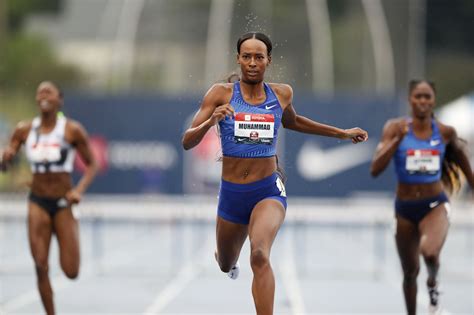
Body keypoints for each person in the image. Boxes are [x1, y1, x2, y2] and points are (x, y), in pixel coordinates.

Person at [182, 32, 368, 315]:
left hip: (267, 191)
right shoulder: (220, 94)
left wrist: (341, 133)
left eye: (259, 57)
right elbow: (187, 141)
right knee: (224, 263)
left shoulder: (281, 94)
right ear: (238, 60)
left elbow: (294, 121)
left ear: (268, 60)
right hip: (232, 194)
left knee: (259, 255)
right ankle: (228, 259)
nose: (253, 62)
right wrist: (211, 120)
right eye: (247, 57)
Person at [370, 80, 474, 315]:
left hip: (435, 204)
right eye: (418, 96)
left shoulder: (445, 132)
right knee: (409, 273)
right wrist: (397, 140)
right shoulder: (394, 128)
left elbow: (461, 158)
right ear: (410, 100)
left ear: (433, 100)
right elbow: (375, 169)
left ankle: (433, 283)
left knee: (429, 252)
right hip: (404, 209)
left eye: (427, 97)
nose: (423, 101)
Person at [0, 81, 98, 315]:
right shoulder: (24, 130)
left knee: (71, 271)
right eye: (39, 92)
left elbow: (92, 164)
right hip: (38, 202)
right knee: (40, 265)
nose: (43, 95)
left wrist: (79, 190)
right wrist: (5, 158)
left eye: (48, 92)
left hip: (64, 203)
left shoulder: (71, 130)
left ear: (59, 100)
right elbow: (5, 164)